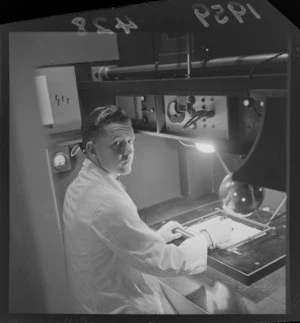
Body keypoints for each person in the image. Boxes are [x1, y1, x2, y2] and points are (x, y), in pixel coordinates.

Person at [63, 105, 233, 314]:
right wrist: (208, 237)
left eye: (131, 141)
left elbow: (113, 243)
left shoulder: (79, 187)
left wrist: (157, 237)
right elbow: (163, 261)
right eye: (117, 144)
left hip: (92, 301)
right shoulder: (106, 201)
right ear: (91, 150)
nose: (128, 151)